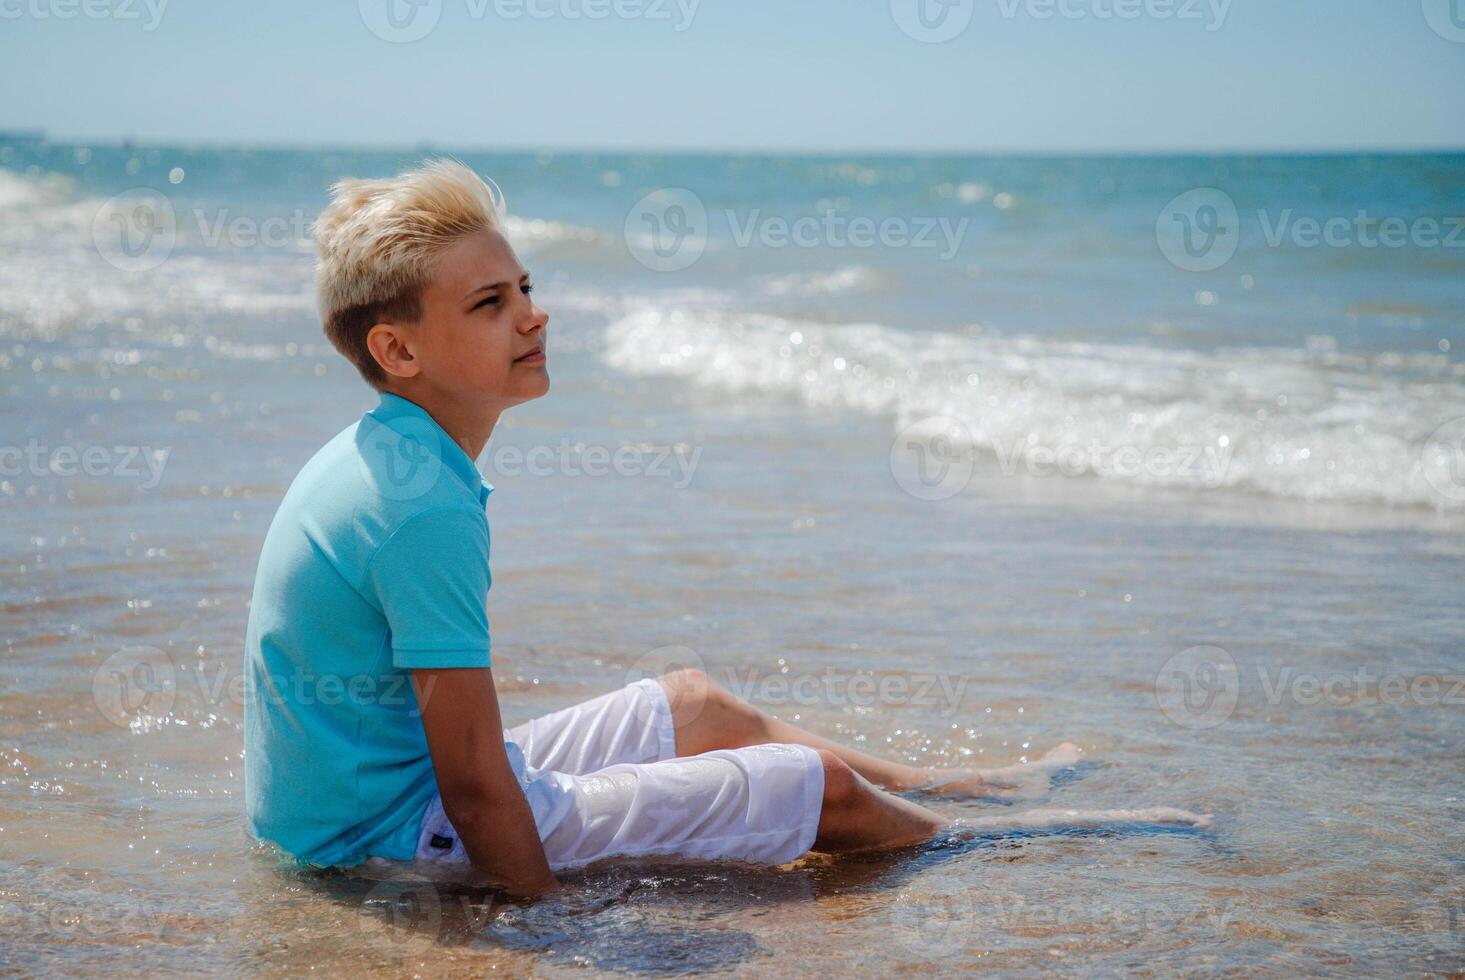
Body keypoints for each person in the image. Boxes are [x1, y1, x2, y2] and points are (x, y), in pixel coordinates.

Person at [243, 160, 1211, 898]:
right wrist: (542, 925)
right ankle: (1015, 839)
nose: (534, 316)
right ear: (397, 347)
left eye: (526, 287)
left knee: (696, 702)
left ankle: (964, 786)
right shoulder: (422, 505)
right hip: (389, 835)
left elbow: (460, 753)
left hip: (381, 796)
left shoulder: (394, 455)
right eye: (491, 303)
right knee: (812, 786)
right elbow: (472, 782)